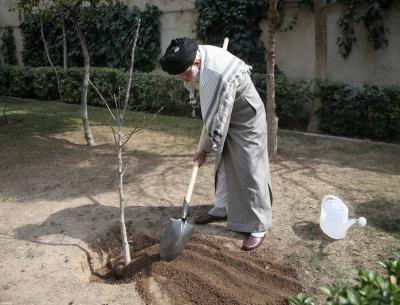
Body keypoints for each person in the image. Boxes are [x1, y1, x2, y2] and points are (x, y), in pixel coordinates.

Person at [159, 37, 273, 251]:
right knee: (221, 162)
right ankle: (222, 208)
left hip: (246, 118)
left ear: (197, 63)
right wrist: (206, 148)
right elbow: (214, 115)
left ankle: (259, 226)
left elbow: (215, 120)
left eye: (185, 74)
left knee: (250, 169)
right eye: (179, 76)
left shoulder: (215, 75)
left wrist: (202, 149)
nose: (184, 79)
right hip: (227, 111)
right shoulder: (196, 57)